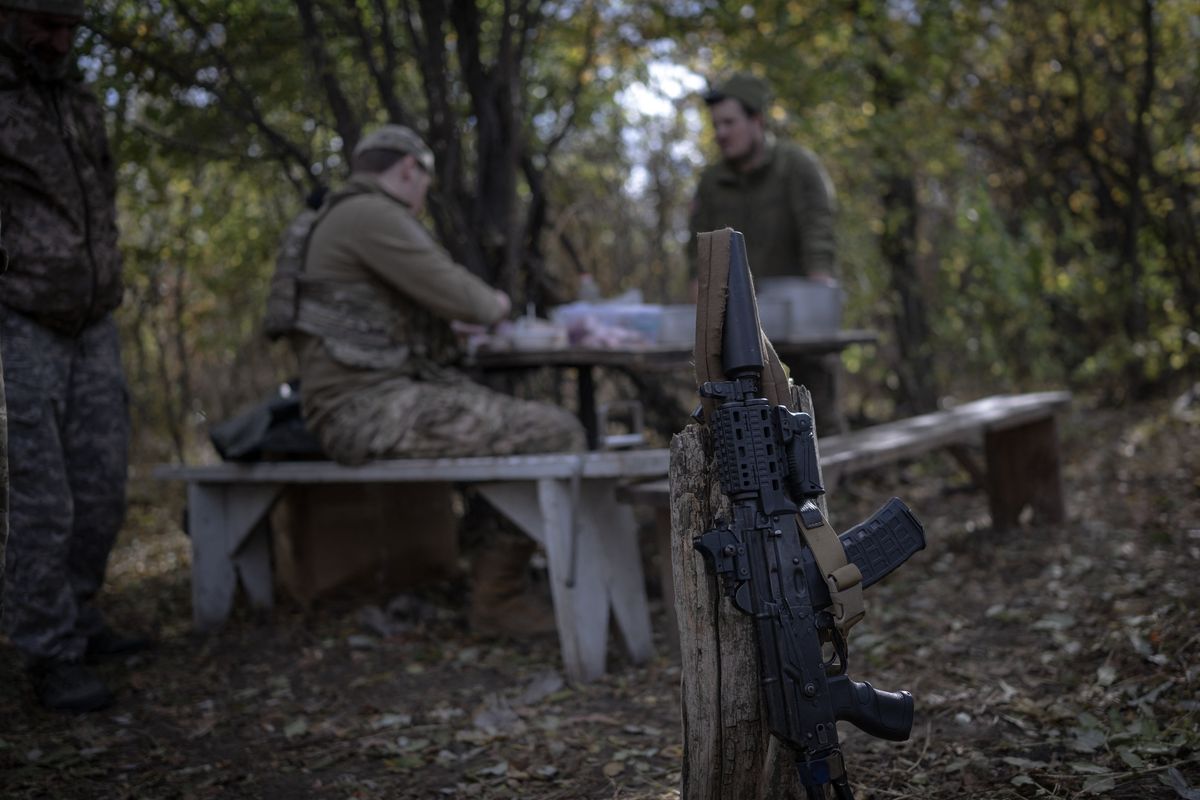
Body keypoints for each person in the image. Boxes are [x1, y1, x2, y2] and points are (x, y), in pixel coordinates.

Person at [289, 124, 585, 636]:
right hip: (366, 410)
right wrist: (497, 304)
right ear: (409, 168)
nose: (424, 193)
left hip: (359, 401)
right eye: (424, 179)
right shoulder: (371, 214)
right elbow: (468, 299)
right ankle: (499, 598)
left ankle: (499, 588)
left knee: (508, 425)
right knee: (555, 431)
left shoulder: (338, 215)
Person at [1, 0, 147, 712]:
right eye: (43, 24)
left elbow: (103, 193)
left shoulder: (80, 100)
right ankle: (46, 653)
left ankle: (82, 618)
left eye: (69, 27)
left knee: (102, 484)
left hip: (93, 317)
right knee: (41, 496)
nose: (57, 41)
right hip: (21, 319)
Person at [689, 72, 845, 431]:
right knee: (737, 416)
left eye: (730, 122)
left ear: (756, 121)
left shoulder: (797, 166)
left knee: (817, 410)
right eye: (716, 125)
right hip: (736, 321)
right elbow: (695, 251)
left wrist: (818, 300)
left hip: (798, 313)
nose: (722, 133)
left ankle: (832, 480)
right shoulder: (712, 181)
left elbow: (819, 235)